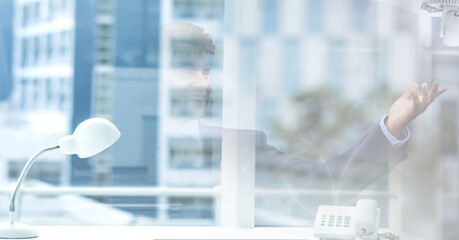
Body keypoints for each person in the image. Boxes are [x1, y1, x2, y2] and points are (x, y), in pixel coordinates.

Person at [161, 22, 447, 205]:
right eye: (188, 70)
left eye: (206, 72)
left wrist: (391, 129)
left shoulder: (244, 147)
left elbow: (327, 184)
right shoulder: (116, 144)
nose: (203, 82)